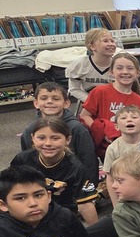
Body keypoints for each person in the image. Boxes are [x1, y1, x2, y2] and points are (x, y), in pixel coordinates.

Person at [20, 82, 99, 224]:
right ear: (36, 103)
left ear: (66, 103)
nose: (49, 102)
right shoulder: (30, 130)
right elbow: (26, 168)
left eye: (55, 98)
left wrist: (90, 196)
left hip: (73, 192)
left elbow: (89, 163)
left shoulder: (77, 128)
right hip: (41, 194)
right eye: (44, 98)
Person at [13, 118, 89, 216]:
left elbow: (86, 204)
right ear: (32, 138)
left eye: (55, 138)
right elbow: (8, 189)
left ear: (68, 140)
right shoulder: (22, 160)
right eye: (41, 138)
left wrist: (93, 230)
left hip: (61, 215)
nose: (48, 143)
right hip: (27, 211)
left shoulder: (76, 168)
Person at [79, 51, 140, 157]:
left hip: (129, 149)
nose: (125, 72)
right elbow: (84, 115)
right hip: (105, 147)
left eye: (130, 68)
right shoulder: (100, 91)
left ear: (137, 73)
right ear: (111, 72)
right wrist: (102, 131)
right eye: (119, 68)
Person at [103, 106, 140, 207]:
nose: (129, 119)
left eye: (134, 117)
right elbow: (110, 178)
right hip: (126, 195)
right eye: (123, 118)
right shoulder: (113, 148)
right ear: (116, 126)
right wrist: (116, 204)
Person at [67, 27, 118, 102]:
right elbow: (74, 89)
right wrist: (91, 101)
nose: (111, 44)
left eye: (112, 41)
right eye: (105, 41)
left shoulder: (119, 65)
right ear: (92, 46)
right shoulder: (80, 64)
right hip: (90, 104)